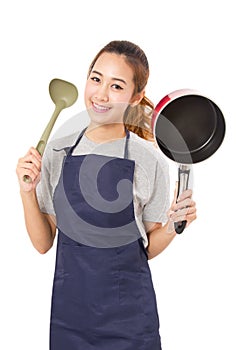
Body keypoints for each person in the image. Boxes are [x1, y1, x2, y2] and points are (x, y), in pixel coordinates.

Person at [16, 40, 197, 349]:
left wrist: (172, 226)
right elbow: (44, 243)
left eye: (116, 86)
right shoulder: (58, 151)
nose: (100, 94)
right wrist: (27, 192)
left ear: (135, 97)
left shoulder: (148, 159)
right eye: (96, 78)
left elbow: (147, 248)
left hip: (131, 321)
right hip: (70, 318)